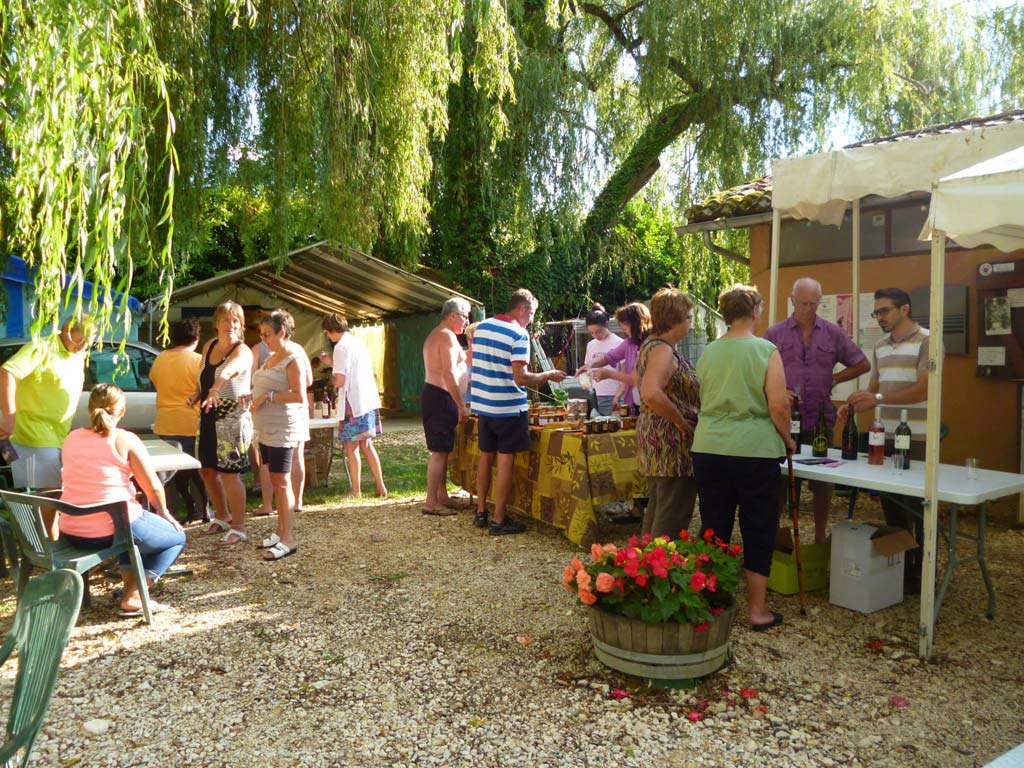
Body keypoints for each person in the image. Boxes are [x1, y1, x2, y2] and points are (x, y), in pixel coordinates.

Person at [691, 285, 795, 632]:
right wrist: (788, 439)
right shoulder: (766, 350)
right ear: (754, 312)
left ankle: (711, 600)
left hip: (709, 446)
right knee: (758, 526)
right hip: (753, 448)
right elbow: (778, 406)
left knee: (714, 525)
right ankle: (757, 610)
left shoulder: (708, 352)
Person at [60, 384, 186, 616]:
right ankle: (135, 595)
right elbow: (152, 486)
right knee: (175, 538)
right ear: (123, 411)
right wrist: (165, 513)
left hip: (72, 530)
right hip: (112, 528)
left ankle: (129, 591)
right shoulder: (125, 439)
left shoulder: (71, 438)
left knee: (131, 531)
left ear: (89, 410)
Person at [763, 278, 870, 543]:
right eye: (802, 303)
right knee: (777, 480)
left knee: (823, 484)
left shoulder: (832, 333)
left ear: (819, 303)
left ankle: (820, 535)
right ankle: (773, 535)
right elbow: (757, 371)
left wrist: (835, 379)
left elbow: (862, 364)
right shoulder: (774, 334)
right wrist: (775, 390)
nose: (807, 309)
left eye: (813, 304)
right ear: (792, 300)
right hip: (782, 420)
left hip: (820, 419)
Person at [843, 287, 933, 594]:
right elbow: (873, 388)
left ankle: (924, 572)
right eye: (876, 312)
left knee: (919, 507)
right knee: (892, 507)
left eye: (884, 311)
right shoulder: (880, 346)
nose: (879, 317)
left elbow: (924, 389)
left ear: (904, 309)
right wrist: (853, 405)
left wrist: (878, 398)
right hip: (884, 435)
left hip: (917, 436)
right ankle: (901, 569)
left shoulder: (927, 340)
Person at [470, 289, 566, 535]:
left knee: (485, 457)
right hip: (508, 408)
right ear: (522, 309)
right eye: (531, 314)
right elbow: (521, 378)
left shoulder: (482, 327)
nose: (532, 320)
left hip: (483, 405)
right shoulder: (518, 334)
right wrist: (547, 375)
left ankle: (481, 511)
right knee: (505, 462)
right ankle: (499, 520)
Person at [636, 289, 701, 539]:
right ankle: (662, 560)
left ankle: (645, 559)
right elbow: (650, 392)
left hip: (658, 437)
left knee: (659, 506)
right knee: (672, 511)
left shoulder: (651, 346)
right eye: (688, 317)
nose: (690, 323)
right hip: (670, 440)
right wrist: (681, 421)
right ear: (674, 319)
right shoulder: (662, 350)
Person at [0, 316, 93, 488]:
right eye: (81, 340)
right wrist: (8, 415)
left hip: (58, 435)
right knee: (48, 493)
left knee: (50, 492)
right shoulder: (42, 347)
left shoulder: (78, 353)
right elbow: (7, 372)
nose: (83, 346)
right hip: (32, 433)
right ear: (66, 331)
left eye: (89, 342)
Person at [193, 301, 254, 545]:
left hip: (231, 418)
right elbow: (204, 375)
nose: (231, 325)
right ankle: (222, 516)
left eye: (236, 320)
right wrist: (198, 394)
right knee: (207, 470)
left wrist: (215, 389)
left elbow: (228, 371)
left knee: (230, 474)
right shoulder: (209, 345)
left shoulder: (242, 350)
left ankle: (239, 527)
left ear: (241, 325)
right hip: (208, 413)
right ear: (216, 323)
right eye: (226, 320)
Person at [250, 311, 306, 561]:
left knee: (282, 482)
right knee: (274, 478)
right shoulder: (272, 357)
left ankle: (289, 538)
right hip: (265, 429)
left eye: (267, 334)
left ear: (282, 333)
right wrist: (252, 396)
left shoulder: (293, 359)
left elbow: (298, 395)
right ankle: (281, 530)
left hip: (282, 430)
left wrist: (267, 396)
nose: (263, 339)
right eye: (262, 335)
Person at [322, 313, 387, 499]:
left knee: (351, 447)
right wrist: (332, 364)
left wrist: (331, 379)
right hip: (367, 399)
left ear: (331, 330)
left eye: (327, 332)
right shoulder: (356, 342)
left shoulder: (340, 347)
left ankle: (356, 490)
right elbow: (350, 369)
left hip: (353, 402)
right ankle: (381, 486)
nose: (328, 336)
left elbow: (340, 380)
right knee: (367, 444)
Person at [150, 318, 207, 523]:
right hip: (191, 422)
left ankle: (170, 510)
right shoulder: (199, 360)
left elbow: (155, 380)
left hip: (165, 422)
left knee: (170, 473)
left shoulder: (160, 358)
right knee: (197, 471)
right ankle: (203, 510)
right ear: (196, 339)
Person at [421, 298, 470, 515]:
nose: (466, 321)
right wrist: (460, 405)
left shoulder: (441, 335)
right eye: (464, 316)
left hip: (438, 396)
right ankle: (431, 503)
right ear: (452, 315)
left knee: (443, 450)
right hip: (440, 396)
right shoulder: (446, 336)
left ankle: (441, 496)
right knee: (439, 452)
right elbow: (448, 372)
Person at [577, 303, 651, 415]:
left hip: (650, 402)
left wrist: (609, 374)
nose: (623, 328)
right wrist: (590, 365)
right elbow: (609, 357)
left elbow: (635, 379)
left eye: (625, 325)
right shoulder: (629, 343)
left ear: (636, 323)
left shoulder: (651, 345)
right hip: (634, 403)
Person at [580, 304, 622, 416]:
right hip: (594, 396)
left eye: (599, 331)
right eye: (592, 333)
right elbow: (588, 370)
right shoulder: (590, 345)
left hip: (614, 396)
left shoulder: (619, 343)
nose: (596, 335)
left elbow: (627, 375)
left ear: (606, 324)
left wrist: (618, 396)